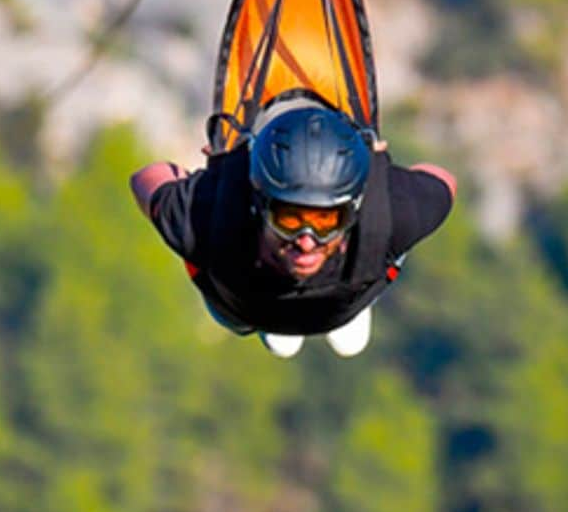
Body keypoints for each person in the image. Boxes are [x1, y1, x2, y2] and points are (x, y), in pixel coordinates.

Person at [131, 93, 456, 358]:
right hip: (244, 307)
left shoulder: (388, 217)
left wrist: (384, 180)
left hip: (343, 297)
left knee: (380, 239)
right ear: (260, 206)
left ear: (352, 212)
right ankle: (295, 321)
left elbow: (149, 178)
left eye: (325, 221)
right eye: (291, 219)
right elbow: (441, 179)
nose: (306, 241)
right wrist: (206, 189)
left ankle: (339, 311)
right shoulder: (209, 221)